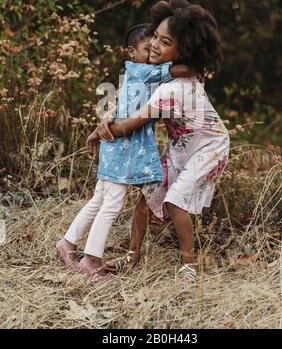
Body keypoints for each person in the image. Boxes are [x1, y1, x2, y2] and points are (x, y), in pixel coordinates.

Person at [97, 0, 230, 281]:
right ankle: (132, 256)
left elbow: (127, 126)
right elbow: (128, 101)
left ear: (185, 49)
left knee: (174, 201)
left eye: (165, 42)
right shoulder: (165, 77)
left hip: (209, 146)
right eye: (155, 36)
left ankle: (189, 264)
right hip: (182, 145)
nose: (155, 44)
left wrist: (104, 129)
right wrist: (107, 117)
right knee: (147, 198)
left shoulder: (171, 91)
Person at [56, 22, 195, 279]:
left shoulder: (131, 73)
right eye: (147, 48)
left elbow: (119, 108)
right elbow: (182, 69)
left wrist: (97, 131)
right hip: (123, 149)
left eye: (157, 46)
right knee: (112, 204)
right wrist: (199, 60)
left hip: (115, 146)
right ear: (131, 52)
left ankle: (68, 243)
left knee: (99, 199)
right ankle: (92, 259)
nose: (152, 52)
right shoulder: (144, 72)